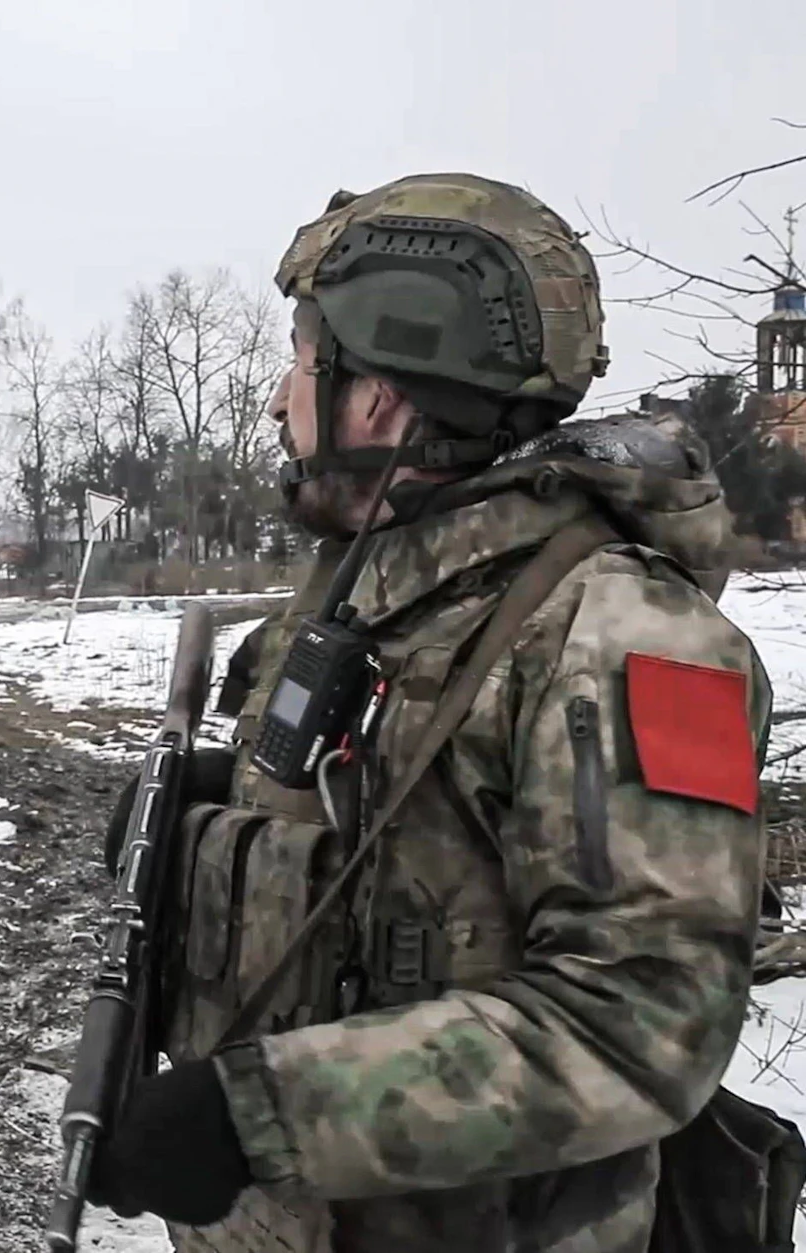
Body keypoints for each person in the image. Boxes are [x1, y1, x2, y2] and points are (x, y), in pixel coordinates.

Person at [88, 173, 775, 1252]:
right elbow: (405, 847)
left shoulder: (632, 639)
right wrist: (223, 815)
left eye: (301, 359)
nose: (277, 400)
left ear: (383, 391)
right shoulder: (375, 593)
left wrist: (259, 1113)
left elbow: (643, 1022)